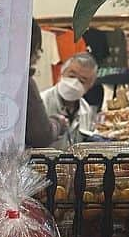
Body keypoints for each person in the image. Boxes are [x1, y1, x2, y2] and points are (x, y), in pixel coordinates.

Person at [42, 52, 99, 148]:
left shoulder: (86, 111)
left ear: (89, 86)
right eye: (72, 76)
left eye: (82, 81)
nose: (74, 83)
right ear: (62, 73)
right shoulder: (42, 103)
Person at [25, 20, 58, 148]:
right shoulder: (24, 83)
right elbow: (41, 135)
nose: (39, 54)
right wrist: (58, 124)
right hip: (10, 163)